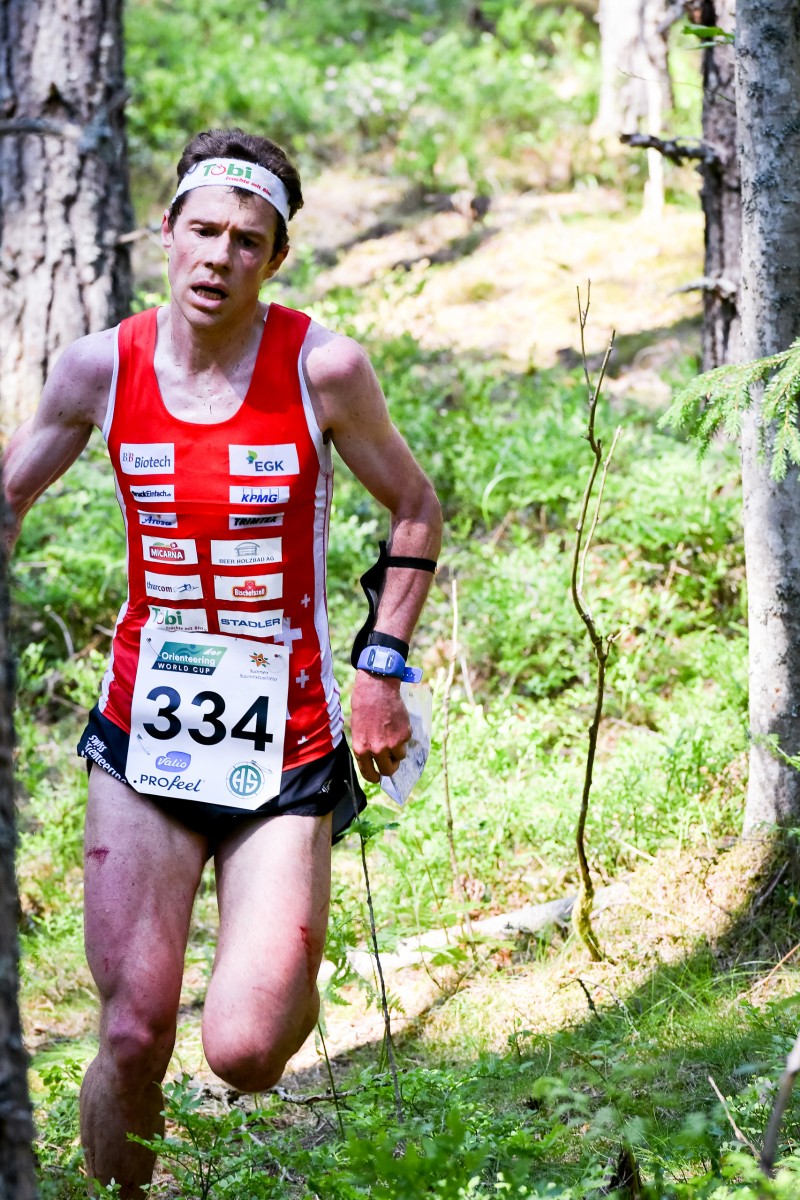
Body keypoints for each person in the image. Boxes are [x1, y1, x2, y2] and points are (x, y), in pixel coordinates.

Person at [3, 127, 442, 1196]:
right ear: (167, 232)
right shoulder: (100, 366)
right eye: (202, 231)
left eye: (247, 241)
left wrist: (380, 670)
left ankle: (283, 967)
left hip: (285, 737)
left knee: (244, 1049)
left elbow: (415, 508)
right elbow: (9, 497)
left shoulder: (322, 367)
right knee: (132, 1030)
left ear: (276, 257)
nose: (218, 258)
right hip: (143, 727)